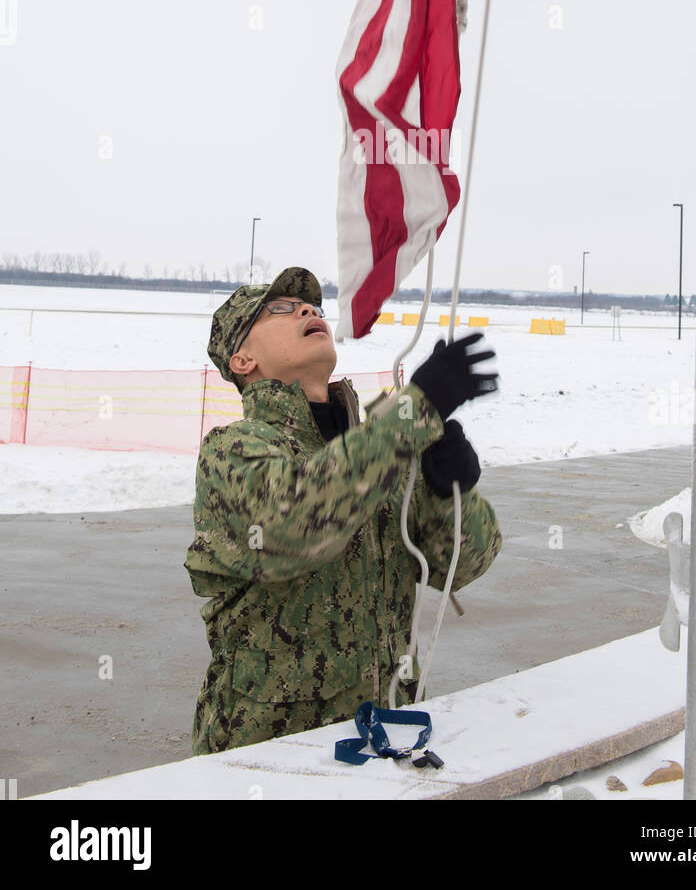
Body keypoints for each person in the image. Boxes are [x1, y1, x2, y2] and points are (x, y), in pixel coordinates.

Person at [184, 265, 502, 755]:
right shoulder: (233, 451)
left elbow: (462, 566)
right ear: (242, 358)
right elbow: (293, 526)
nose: (309, 311)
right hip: (269, 762)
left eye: (312, 306)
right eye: (280, 310)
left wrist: (449, 490)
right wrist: (412, 413)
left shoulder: (377, 446)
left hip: (384, 745)